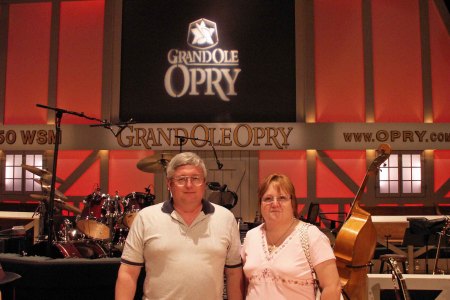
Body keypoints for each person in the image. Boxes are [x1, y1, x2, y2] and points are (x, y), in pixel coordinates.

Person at [115, 152, 244, 300]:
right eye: (181, 179)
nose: (189, 185)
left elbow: (234, 274)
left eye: (195, 179)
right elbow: (128, 273)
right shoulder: (146, 218)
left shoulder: (225, 218)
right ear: (169, 184)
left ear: (204, 182)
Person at [241, 173, 342, 299]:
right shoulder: (251, 237)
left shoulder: (311, 235)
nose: (275, 203)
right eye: (268, 199)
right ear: (260, 203)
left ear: (292, 202)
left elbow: (332, 286)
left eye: (282, 198)